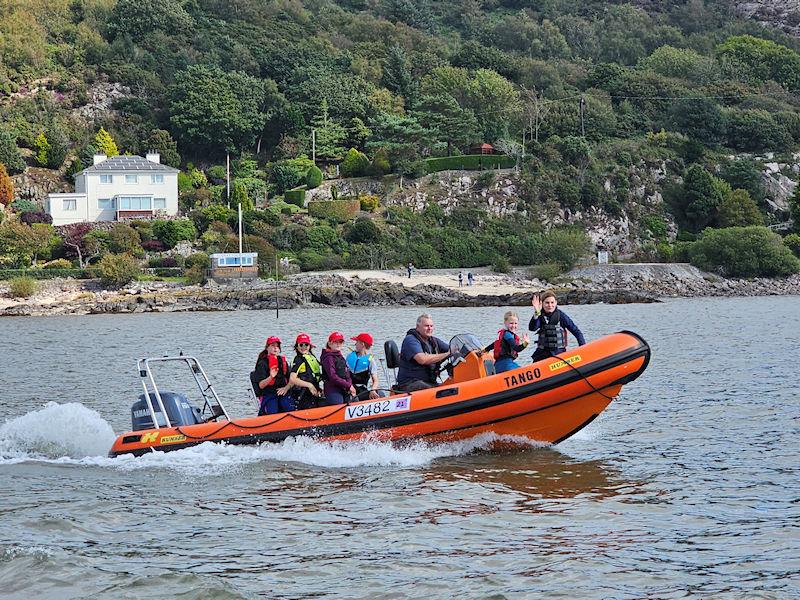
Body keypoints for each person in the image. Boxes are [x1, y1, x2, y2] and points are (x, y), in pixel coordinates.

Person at [396, 313, 451, 392]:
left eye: (431, 326)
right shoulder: (410, 340)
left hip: (428, 382)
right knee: (439, 391)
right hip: (410, 384)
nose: (429, 328)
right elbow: (422, 359)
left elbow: (452, 348)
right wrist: (447, 354)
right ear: (418, 327)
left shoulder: (433, 341)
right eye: (426, 326)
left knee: (449, 388)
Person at [528, 291, 586, 362]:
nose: (550, 305)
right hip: (542, 354)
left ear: (556, 303)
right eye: (547, 303)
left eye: (552, 302)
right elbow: (532, 328)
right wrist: (537, 312)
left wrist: (583, 347)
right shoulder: (539, 315)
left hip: (559, 353)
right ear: (542, 304)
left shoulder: (561, 316)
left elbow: (576, 331)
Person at [252, 336, 295, 415]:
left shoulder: (282, 362)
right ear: (267, 348)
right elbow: (261, 385)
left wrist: (286, 388)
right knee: (273, 411)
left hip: (283, 391)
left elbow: (292, 380)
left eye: (277, 346)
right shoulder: (262, 364)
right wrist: (271, 377)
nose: (275, 348)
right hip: (269, 393)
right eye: (272, 346)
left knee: (288, 407)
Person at [287, 333, 323, 410]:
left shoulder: (311, 357)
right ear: (297, 346)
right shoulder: (298, 359)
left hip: (315, 390)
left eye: (306, 345)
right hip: (304, 393)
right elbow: (292, 378)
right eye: (301, 345)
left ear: (309, 346)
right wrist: (309, 385)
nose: (303, 347)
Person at [321, 331, 356, 405]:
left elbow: (347, 374)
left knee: (355, 400)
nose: (338, 344)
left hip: (343, 387)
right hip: (332, 389)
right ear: (330, 343)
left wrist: (349, 386)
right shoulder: (328, 358)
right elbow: (333, 377)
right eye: (335, 342)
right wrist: (348, 385)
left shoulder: (340, 356)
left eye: (340, 342)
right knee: (337, 404)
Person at [346, 333, 385, 400]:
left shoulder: (370, 360)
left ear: (362, 344)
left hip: (361, 390)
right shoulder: (350, 357)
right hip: (349, 388)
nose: (355, 344)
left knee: (380, 393)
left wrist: (373, 390)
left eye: (357, 342)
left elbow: (375, 380)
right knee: (353, 398)